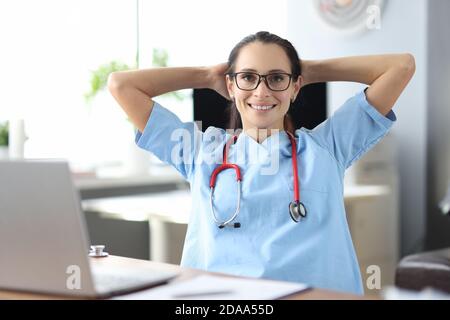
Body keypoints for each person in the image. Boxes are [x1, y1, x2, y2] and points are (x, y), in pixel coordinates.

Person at [108, 31, 415, 294]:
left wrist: (309, 71)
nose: (262, 91)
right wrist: (204, 76)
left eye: (277, 78)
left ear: (295, 87)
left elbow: (401, 66)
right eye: (248, 77)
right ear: (230, 86)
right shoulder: (200, 152)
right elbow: (121, 85)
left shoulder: (329, 146)